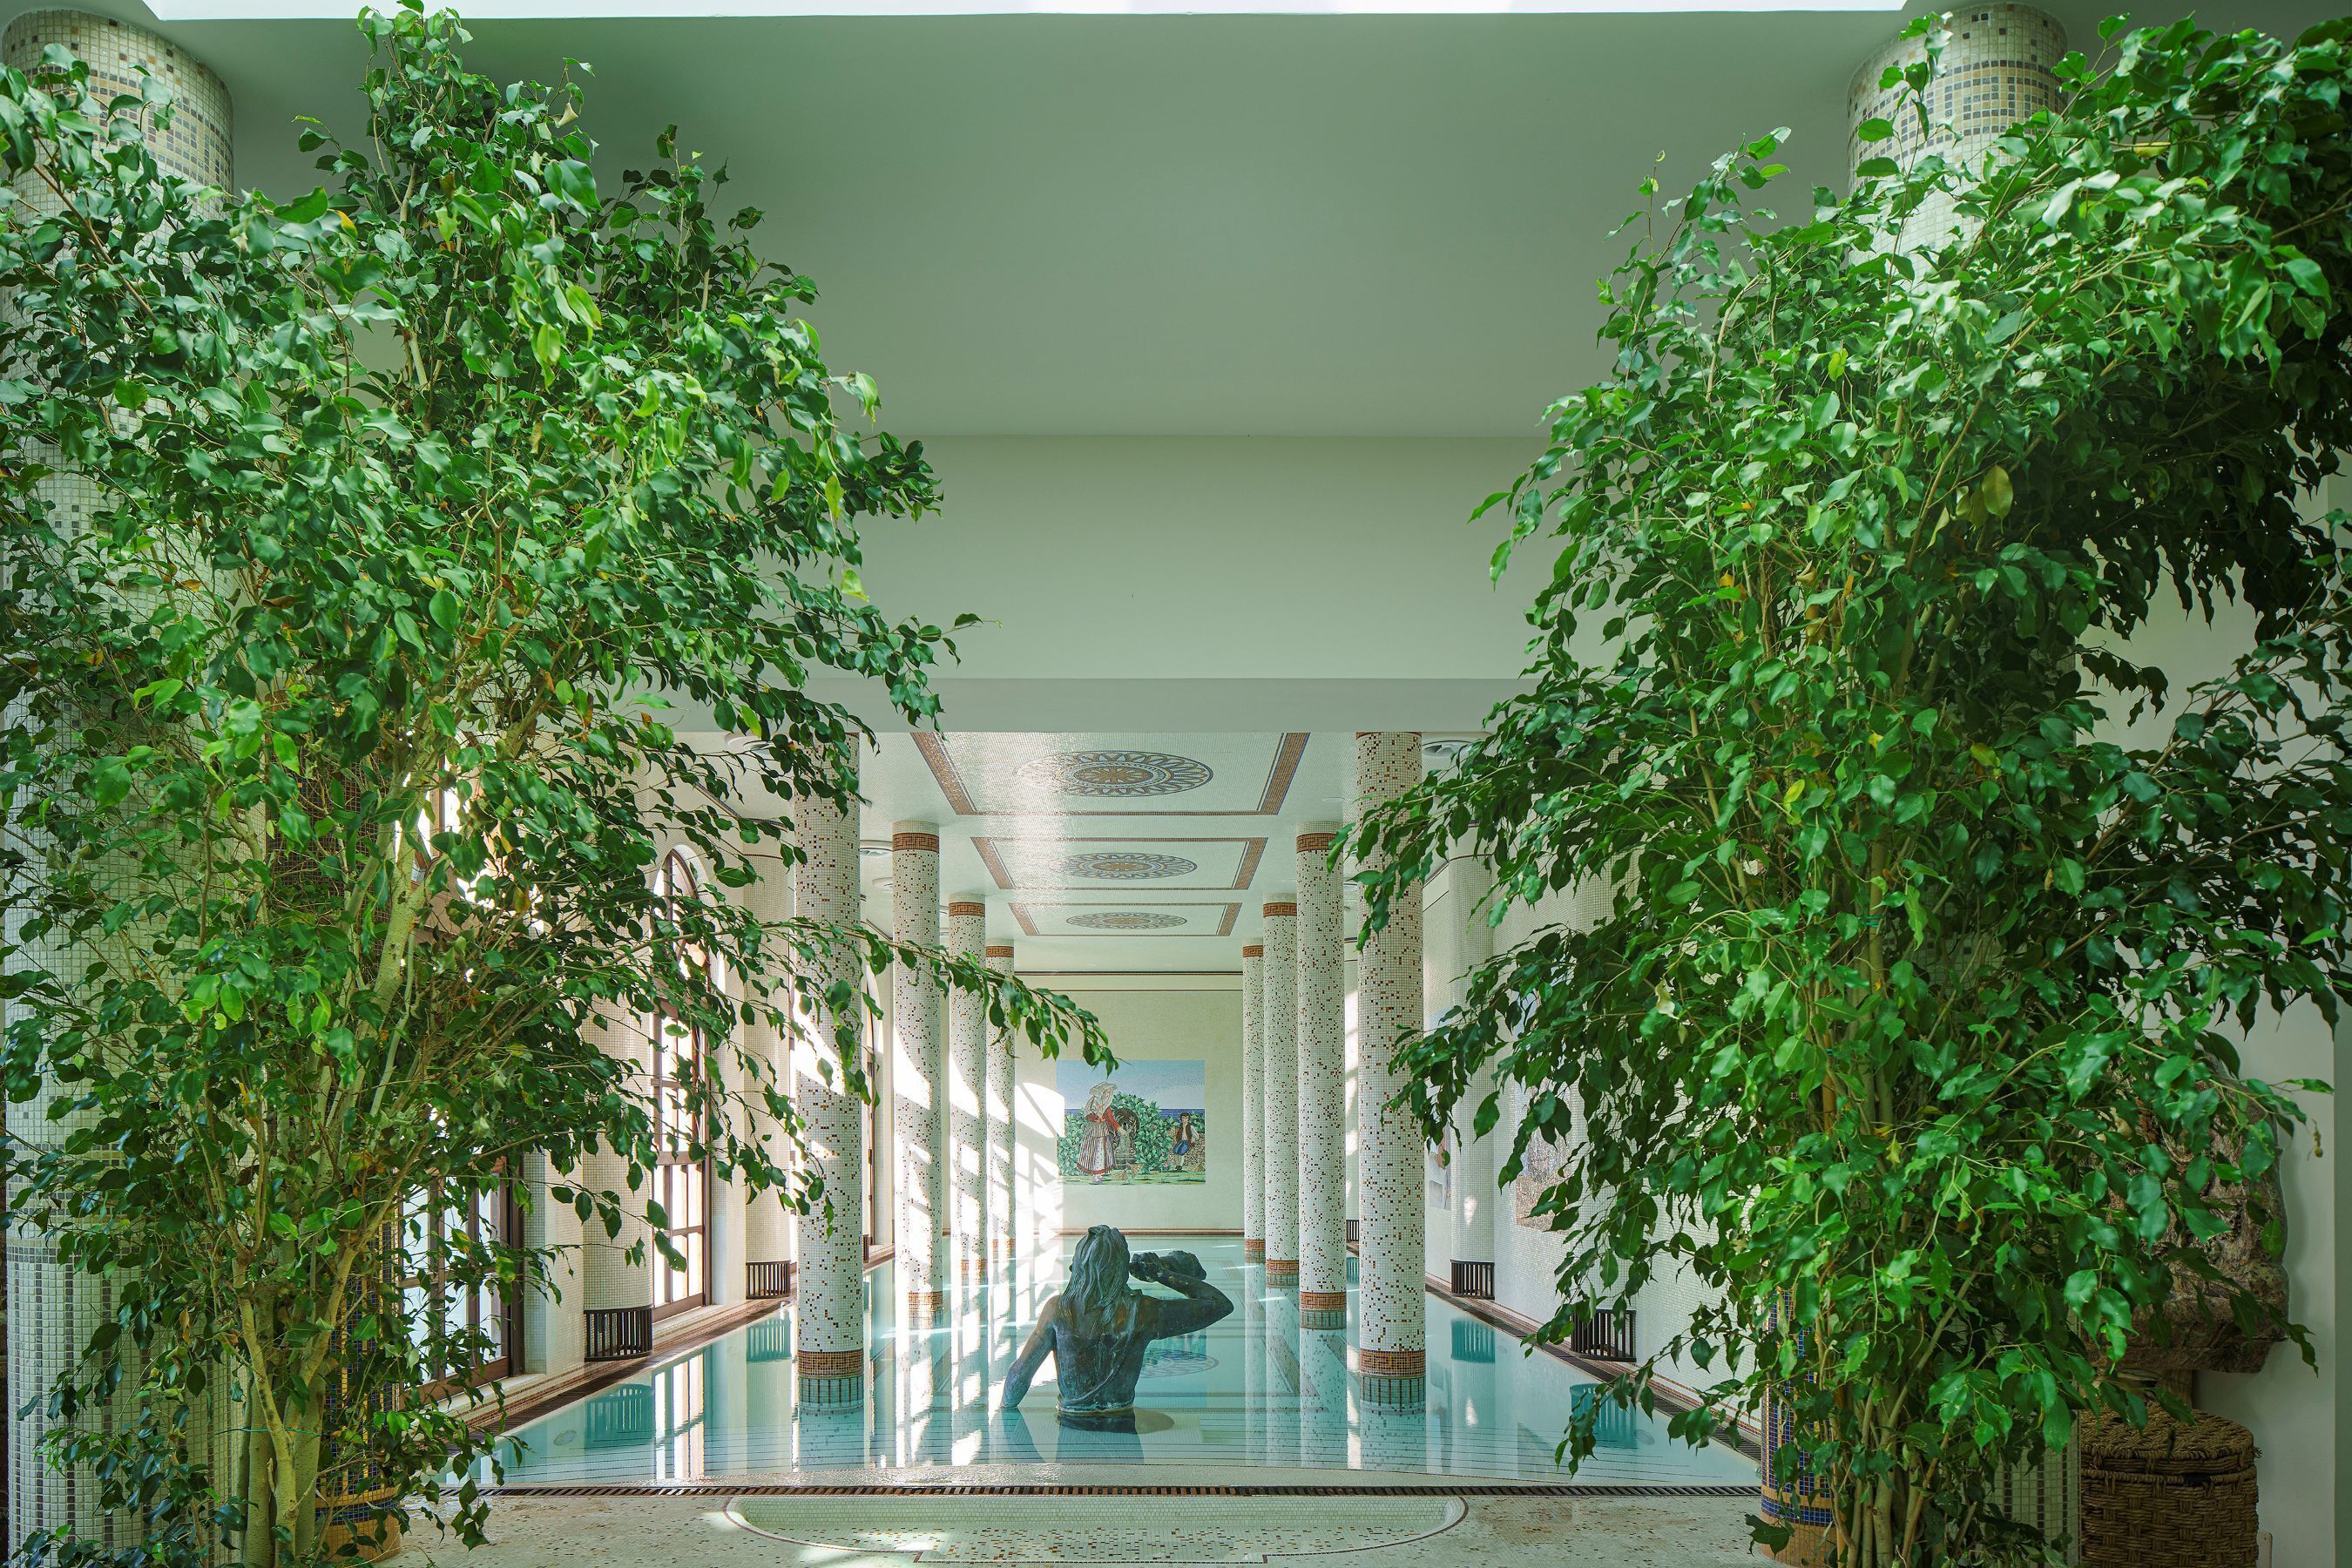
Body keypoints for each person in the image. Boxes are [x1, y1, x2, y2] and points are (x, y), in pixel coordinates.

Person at [1000, 1226, 1233, 1415]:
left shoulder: (1058, 1311)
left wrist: (1005, 1410)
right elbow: (1219, 1305)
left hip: (1072, 1418)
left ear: (1078, 1266)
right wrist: (1162, 1274)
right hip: (1121, 1414)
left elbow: (1020, 1374)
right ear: (1122, 1269)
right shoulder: (1144, 1312)